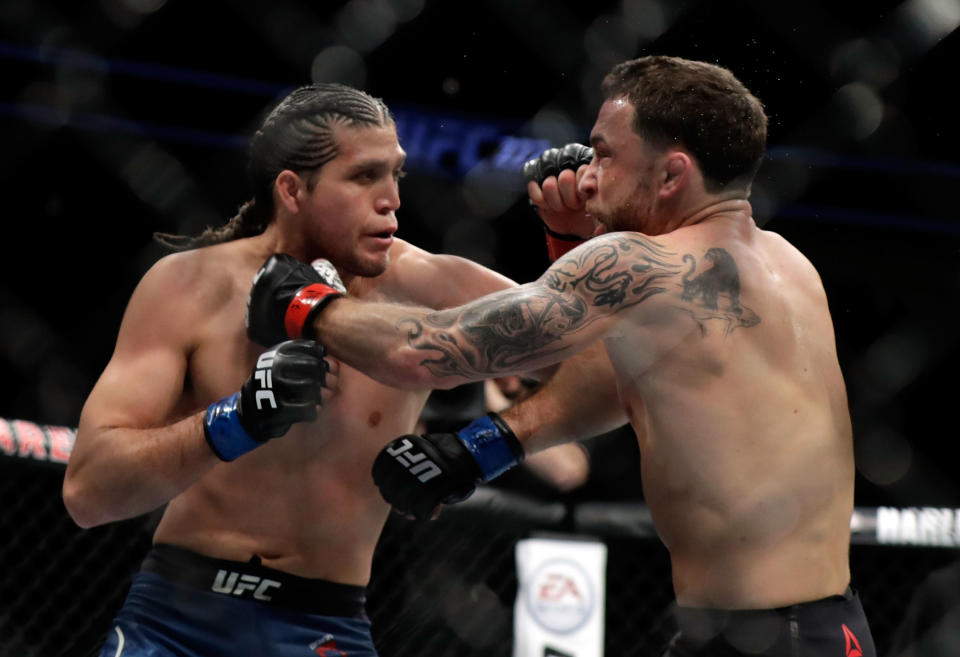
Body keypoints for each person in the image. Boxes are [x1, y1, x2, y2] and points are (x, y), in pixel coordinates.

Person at [245, 56, 877, 656]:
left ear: (671, 175)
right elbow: (629, 377)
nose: (588, 171)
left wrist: (306, 305)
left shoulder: (639, 264)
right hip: (820, 626)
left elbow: (434, 353)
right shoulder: (787, 264)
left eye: (605, 152)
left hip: (763, 634)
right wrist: (481, 448)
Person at [61, 82, 529, 657]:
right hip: (174, 621)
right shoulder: (189, 286)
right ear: (292, 190)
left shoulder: (427, 290)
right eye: (364, 177)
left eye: (396, 176)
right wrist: (238, 419)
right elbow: (88, 493)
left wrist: (481, 447)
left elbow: (595, 351)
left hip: (323, 628)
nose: (392, 201)